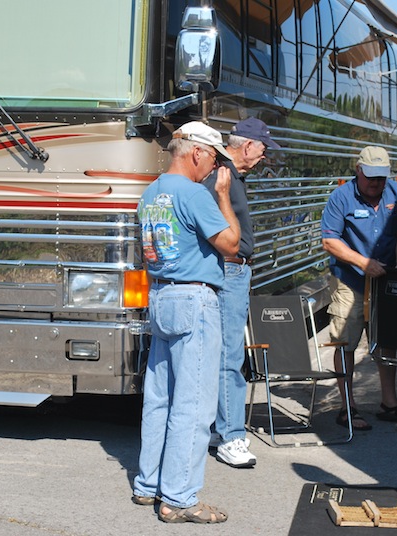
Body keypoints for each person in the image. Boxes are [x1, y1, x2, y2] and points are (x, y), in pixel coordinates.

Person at [132, 121, 240, 524]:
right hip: (194, 297)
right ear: (196, 152)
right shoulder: (196, 194)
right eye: (214, 158)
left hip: (160, 294)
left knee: (160, 396)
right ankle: (178, 497)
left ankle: (149, 483)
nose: (214, 169)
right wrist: (224, 197)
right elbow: (231, 243)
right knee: (193, 406)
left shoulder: (150, 192)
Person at [320, 145, 397, 431]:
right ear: (358, 170)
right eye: (371, 177)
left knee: (387, 339)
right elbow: (330, 241)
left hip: (387, 279)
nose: (376, 183)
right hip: (349, 278)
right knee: (346, 339)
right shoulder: (340, 197)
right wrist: (363, 263)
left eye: (381, 177)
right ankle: (347, 407)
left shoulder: (396, 194)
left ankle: (390, 403)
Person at [201, 118, 280, 468]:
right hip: (229, 270)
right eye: (263, 150)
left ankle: (222, 429)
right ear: (247, 146)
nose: (263, 157)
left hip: (234, 269)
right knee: (230, 355)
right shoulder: (222, 178)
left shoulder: (229, 176)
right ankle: (231, 436)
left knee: (225, 353)